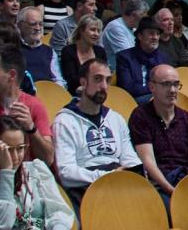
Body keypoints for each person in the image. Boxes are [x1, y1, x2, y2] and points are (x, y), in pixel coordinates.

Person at [51, 58, 141, 197]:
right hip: (87, 189)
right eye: (98, 79)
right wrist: (107, 176)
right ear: (83, 82)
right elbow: (65, 173)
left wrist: (135, 172)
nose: (104, 86)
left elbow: (129, 157)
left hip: (120, 183)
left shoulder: (115, 118)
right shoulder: (65, 121)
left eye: (108, 80)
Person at [0, 50, 53, 164]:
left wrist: (31, 128)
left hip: (25, 173)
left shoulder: (35, 105)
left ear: (12, 75)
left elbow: (48, 159)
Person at [130, 64, 188, 196]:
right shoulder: (141, 116)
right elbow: (149, 163)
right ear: (152, 87)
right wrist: (173, 192)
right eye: (166, 84)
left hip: (185, 182)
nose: (173, 90)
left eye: (176, 84)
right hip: (157, 185)